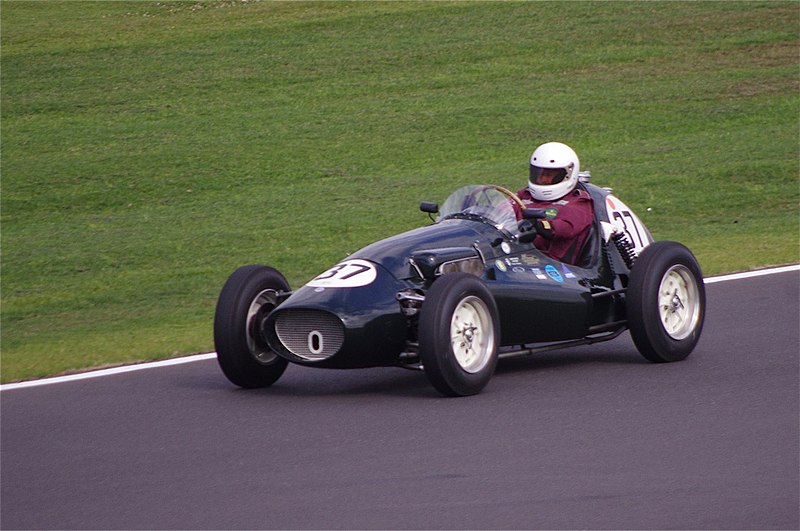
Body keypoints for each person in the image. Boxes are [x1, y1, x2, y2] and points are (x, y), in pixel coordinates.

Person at [515, 142, 594, 265]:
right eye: (539, 174)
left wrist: (538, 226)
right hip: (512, 259)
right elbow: (500, 212)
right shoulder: (522, 196)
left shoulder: (577, 202)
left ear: (567, 175)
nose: (543, 180)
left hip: (551, 267)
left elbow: (566, 228)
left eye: (549, 175)